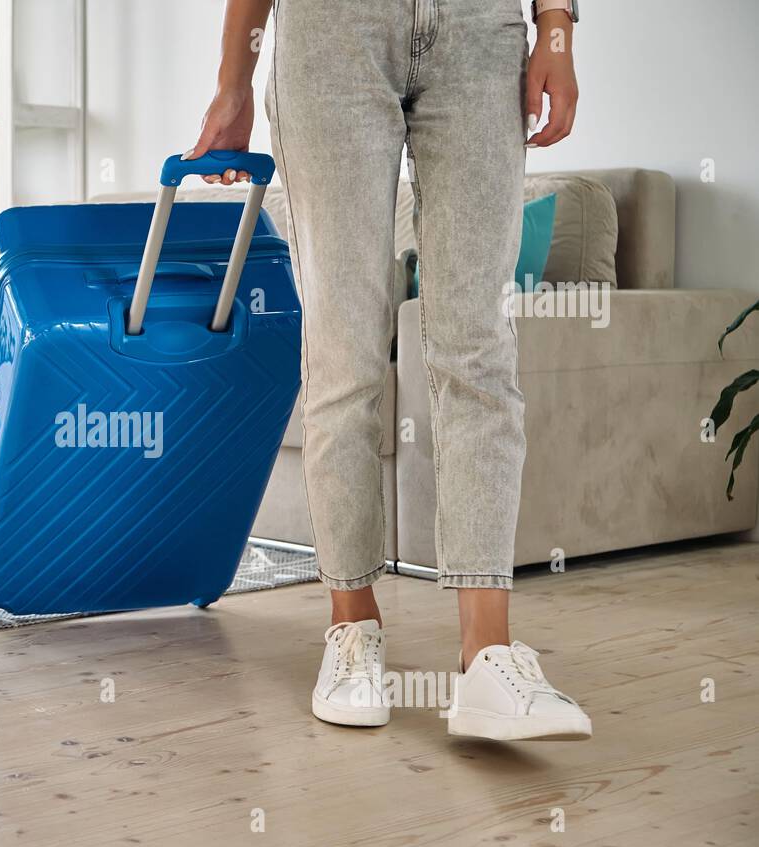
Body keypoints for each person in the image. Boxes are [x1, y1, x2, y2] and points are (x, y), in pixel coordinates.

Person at [187, 0, 591, 741]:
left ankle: (487, 657)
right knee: (345, 348)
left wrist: (557, 25)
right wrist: (234, 79)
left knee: (479, 349)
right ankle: (352, 626)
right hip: (329, 30)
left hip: (481, 29)